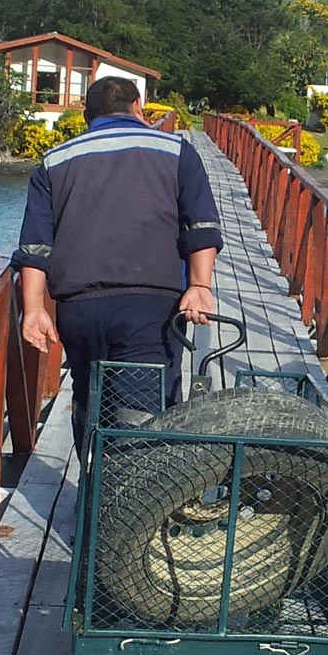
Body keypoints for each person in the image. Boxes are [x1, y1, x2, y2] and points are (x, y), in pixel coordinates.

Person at [14, 75, 223, 441]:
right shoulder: (177, 151)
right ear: (138, 108)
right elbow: (201, 227)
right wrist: (201, 285)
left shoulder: (55, 160)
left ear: (86, 117)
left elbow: (35, 248)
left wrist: (33, 309)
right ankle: (126, 496)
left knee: (89, 404)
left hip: (78, 309)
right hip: (151, 306)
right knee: (141, 416)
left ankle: (93, 493)